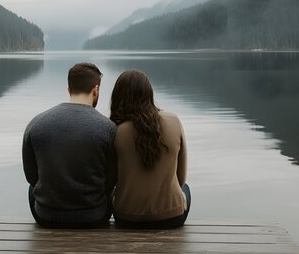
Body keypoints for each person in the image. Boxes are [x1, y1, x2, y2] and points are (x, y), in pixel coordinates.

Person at [22, 62, 116, 228]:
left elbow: (31, 177)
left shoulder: (36, 124)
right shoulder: (108, 128)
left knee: (32, 189)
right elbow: (112, 180)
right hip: (94, 217)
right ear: (96, 90)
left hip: (46, 216)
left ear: (69, 90)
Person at [110, 69, 190, 229]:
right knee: (186, 189)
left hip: (126, 218)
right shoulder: (174, 121)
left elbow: (111, 179)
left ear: (118, 97)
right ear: (149, 94)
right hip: (171, 217)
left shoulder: (115, 130)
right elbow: (181, 178)